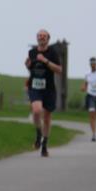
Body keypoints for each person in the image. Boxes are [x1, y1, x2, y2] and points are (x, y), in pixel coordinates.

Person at [25, 29, 63, 158]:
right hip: (34, 87)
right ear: (37, 38)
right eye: (39, 36)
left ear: (48, 39)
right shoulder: (32, 52)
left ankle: (44, 145)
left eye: (44, 36)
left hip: (49, 89)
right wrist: (27, 65)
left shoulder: (53, 52)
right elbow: (32, 68)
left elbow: (59, 70)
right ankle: (38, 135)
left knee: (46, 118)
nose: (41, 38)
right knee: (36, 111)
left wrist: (45, 61)